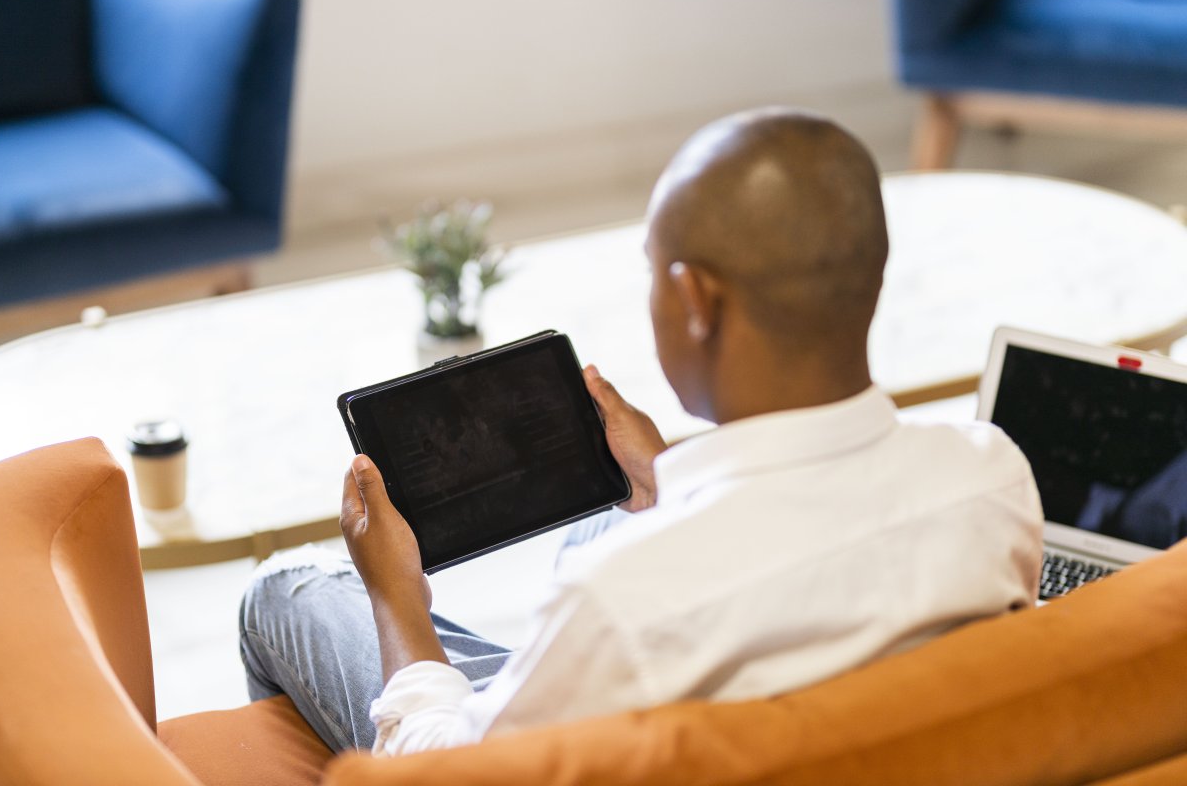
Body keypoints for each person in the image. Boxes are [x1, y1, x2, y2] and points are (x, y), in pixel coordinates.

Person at [239, 107, 1044, 757]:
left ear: (696, 301)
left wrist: (398, 600)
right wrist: (668, 483)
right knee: (601, 518)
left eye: (653, 269)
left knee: (285, 592)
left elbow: (442, 770)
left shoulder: (624, 599)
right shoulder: (993, 475)